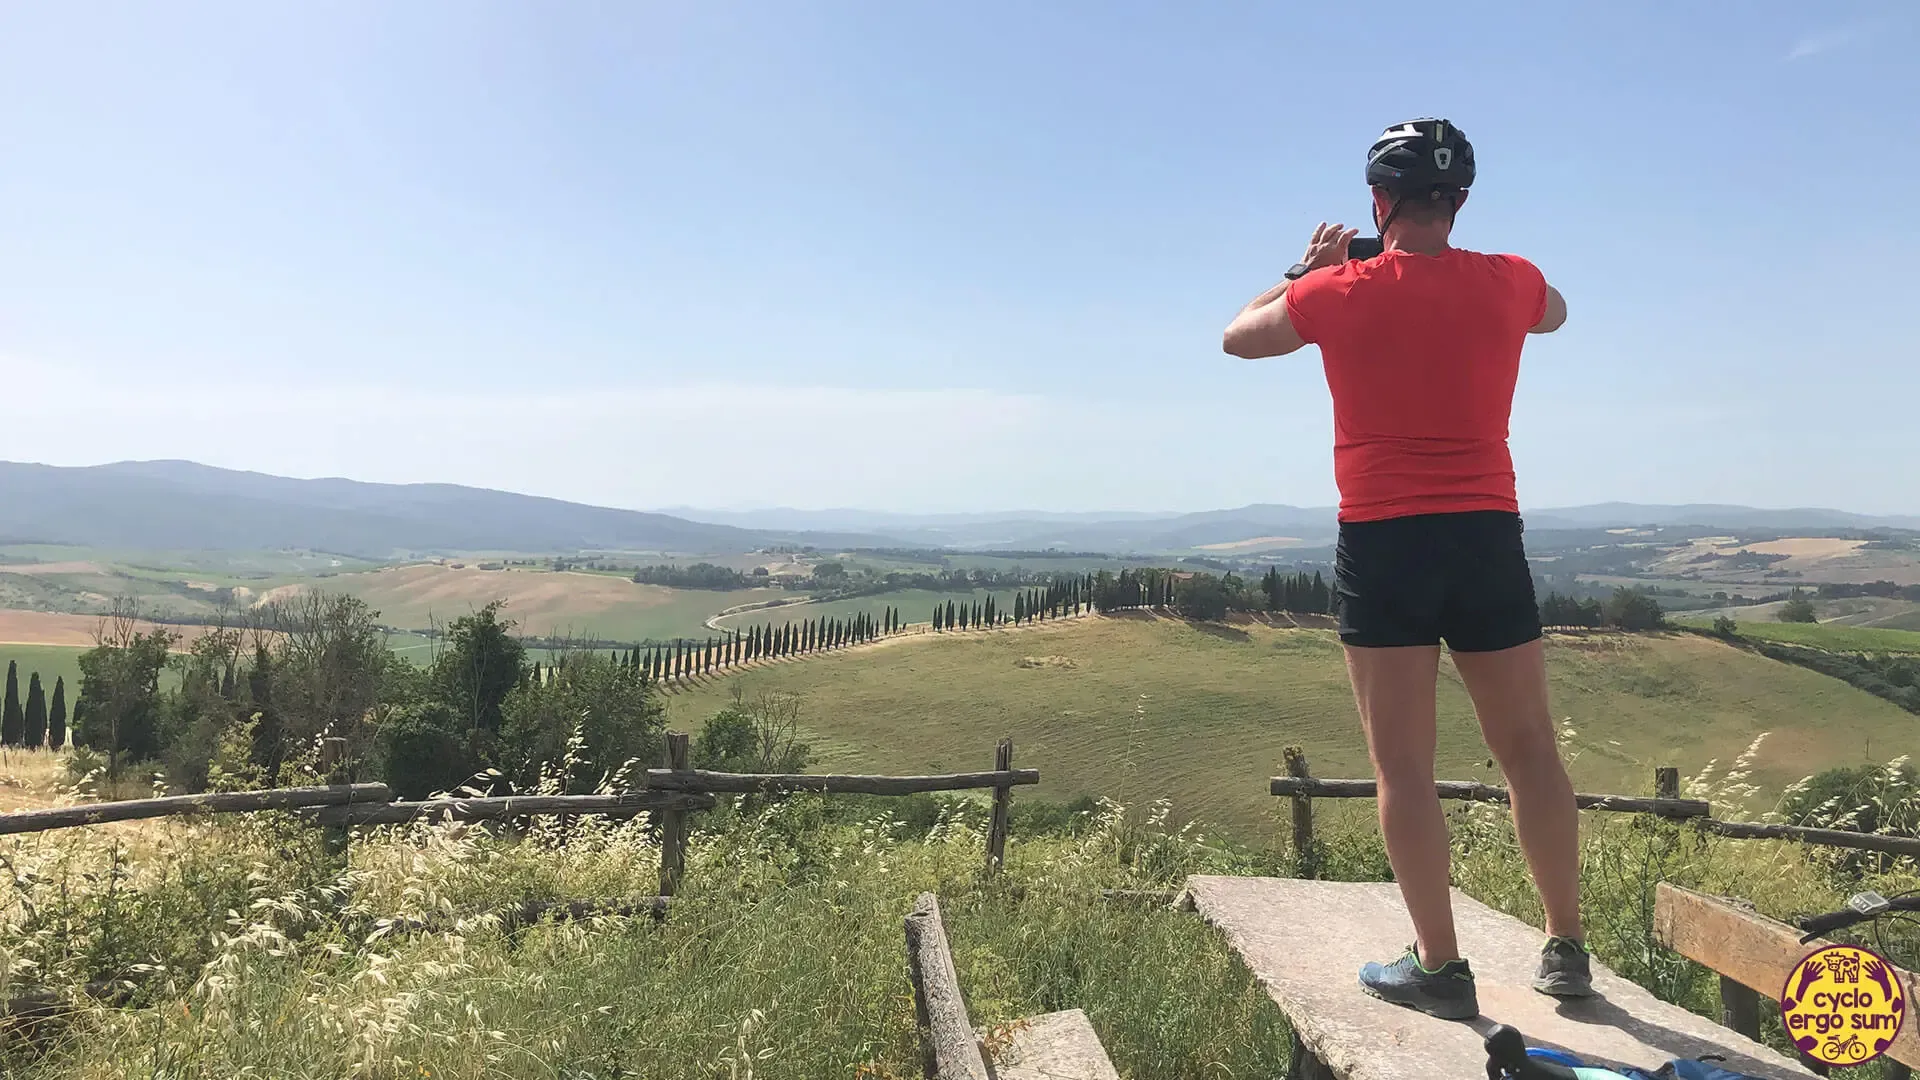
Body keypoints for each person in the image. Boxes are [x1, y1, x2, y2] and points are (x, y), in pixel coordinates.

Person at [1221, 118, 1587, 1021]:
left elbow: (1237, 337)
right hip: (1487, 533)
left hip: (1384, 541)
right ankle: (1566, 947)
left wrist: (1306, 267)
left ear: (1378, 201)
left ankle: (1442, 968)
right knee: (1530, 749)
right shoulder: (1511, 280)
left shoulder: (1336, 291)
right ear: (1458, 200)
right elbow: (1557, 312)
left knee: (1404, 767)